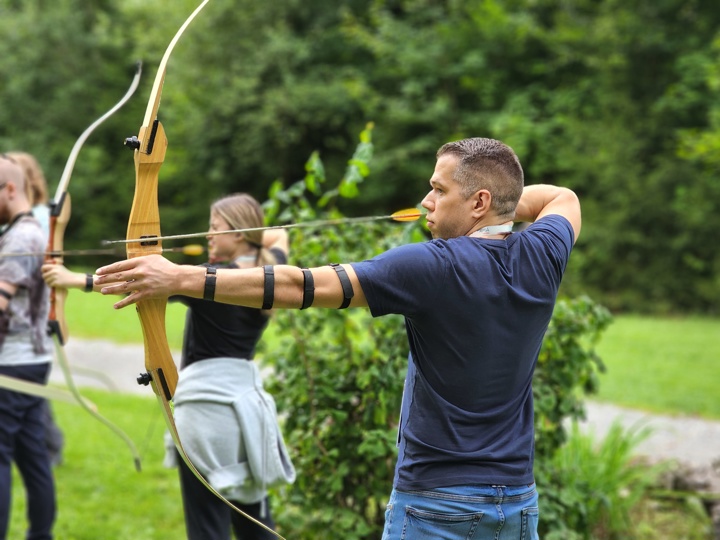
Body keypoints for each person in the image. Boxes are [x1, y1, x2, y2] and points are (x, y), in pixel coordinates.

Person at [94, 137, 581, 539]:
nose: (425, 202)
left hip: (437, 506)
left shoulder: (434, 265)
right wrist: (505, 208)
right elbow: (563, 198)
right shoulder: (543, 254)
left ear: (478, 203)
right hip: (516, 504)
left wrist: (179, 277)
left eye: (439, 190)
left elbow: (302, 286)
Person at [43, 193, 295, 540]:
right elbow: (280, 235)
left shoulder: (212, 279)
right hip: (246, 415)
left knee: (207, 529)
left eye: (215, 228)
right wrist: (251, 237)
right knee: (254, 524)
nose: (208, 235)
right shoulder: (268, 273)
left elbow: (135, 280)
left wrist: (70, 278)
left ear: (238, 233)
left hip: (207, 415)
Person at [0, 154, 56, 540]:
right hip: (31, 362)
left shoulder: (22, 237)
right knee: (33, 454)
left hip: (11, 365)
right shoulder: (21, 232)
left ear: (10, 189)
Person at [5, 152, 64, 468]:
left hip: (21, 340)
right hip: (28, 340)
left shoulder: (32, 224)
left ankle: (53, 447)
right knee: (29, 418)